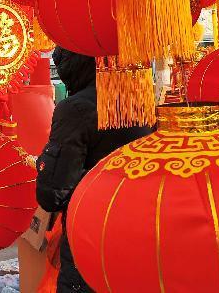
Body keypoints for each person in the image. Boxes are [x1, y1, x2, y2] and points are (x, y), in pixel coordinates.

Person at [36, 47, 153, 292]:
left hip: (90, 236)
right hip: (140, 232)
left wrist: (43, 163)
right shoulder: (140, 98)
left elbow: (52, 193)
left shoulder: (76, 109)